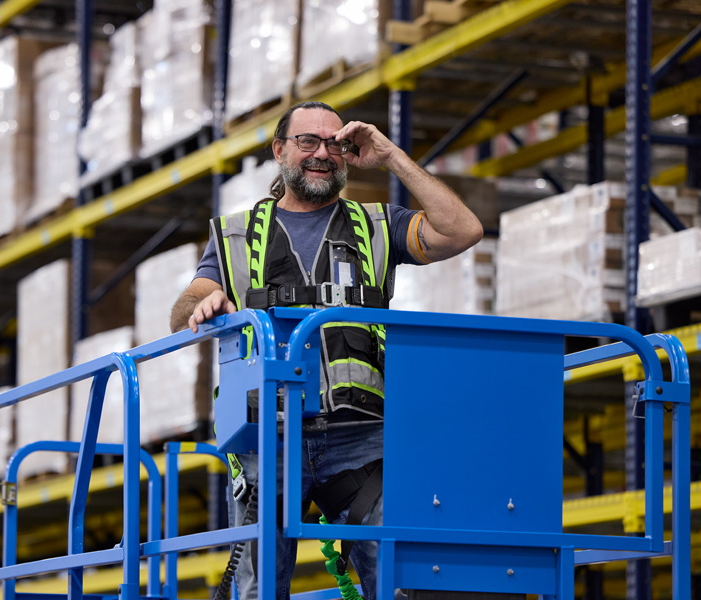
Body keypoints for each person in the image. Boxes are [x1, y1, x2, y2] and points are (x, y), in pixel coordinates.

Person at [169, 101, 483, 600]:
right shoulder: (232, 235)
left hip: (362, 438)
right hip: (267, 438)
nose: (322, 153)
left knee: (401, 579)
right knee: (257, 589)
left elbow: (463, 231)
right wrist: (205, 301)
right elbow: (182, 309)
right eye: (307, 142)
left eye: (334, 143)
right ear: (280, 151)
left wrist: (392, 158)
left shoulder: (378, 225)